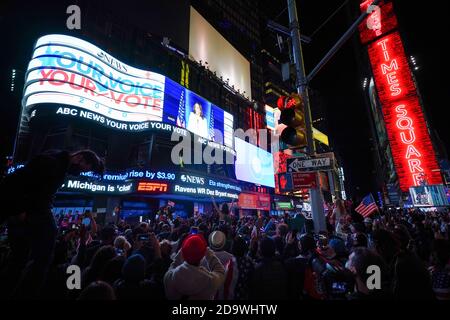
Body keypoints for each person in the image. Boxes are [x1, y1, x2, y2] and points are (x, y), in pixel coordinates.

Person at [0, 149, 103, 298]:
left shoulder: (58, 164)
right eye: (82, 169)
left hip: (28, 213)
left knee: (19, 260)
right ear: (79, 157)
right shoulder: (51, 163)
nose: (80, 173)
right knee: (37, 257)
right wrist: (19, 210)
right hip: (27, 212)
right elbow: (15, 183)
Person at [164, 234, 225, 300]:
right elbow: (220, 271)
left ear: (183, 253)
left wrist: (184, 249)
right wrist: (207, 251)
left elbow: (174, 264)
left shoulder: (169, 277)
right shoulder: (210, 281)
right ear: (202, 256)